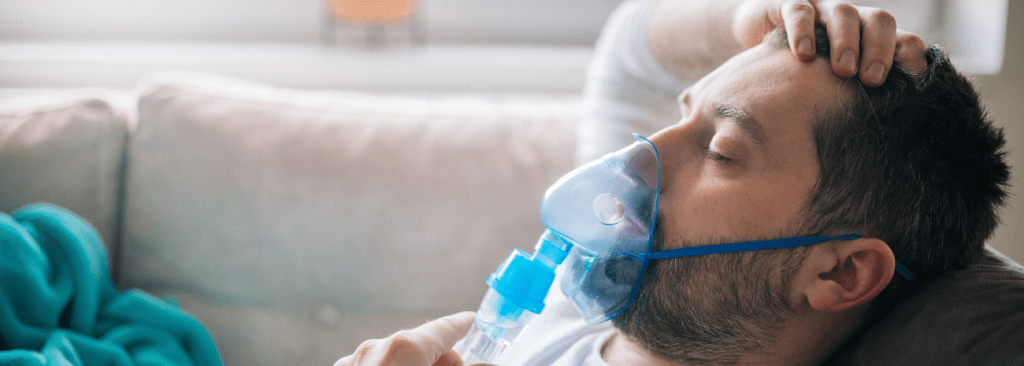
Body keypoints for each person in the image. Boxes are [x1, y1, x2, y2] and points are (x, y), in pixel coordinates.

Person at [335, 0, 1011, 365]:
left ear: (841, 274)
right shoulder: (585, 309)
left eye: (720, 150)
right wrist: (756, 19)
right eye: (679, 114)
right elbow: (630, 54)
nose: (639, 158)